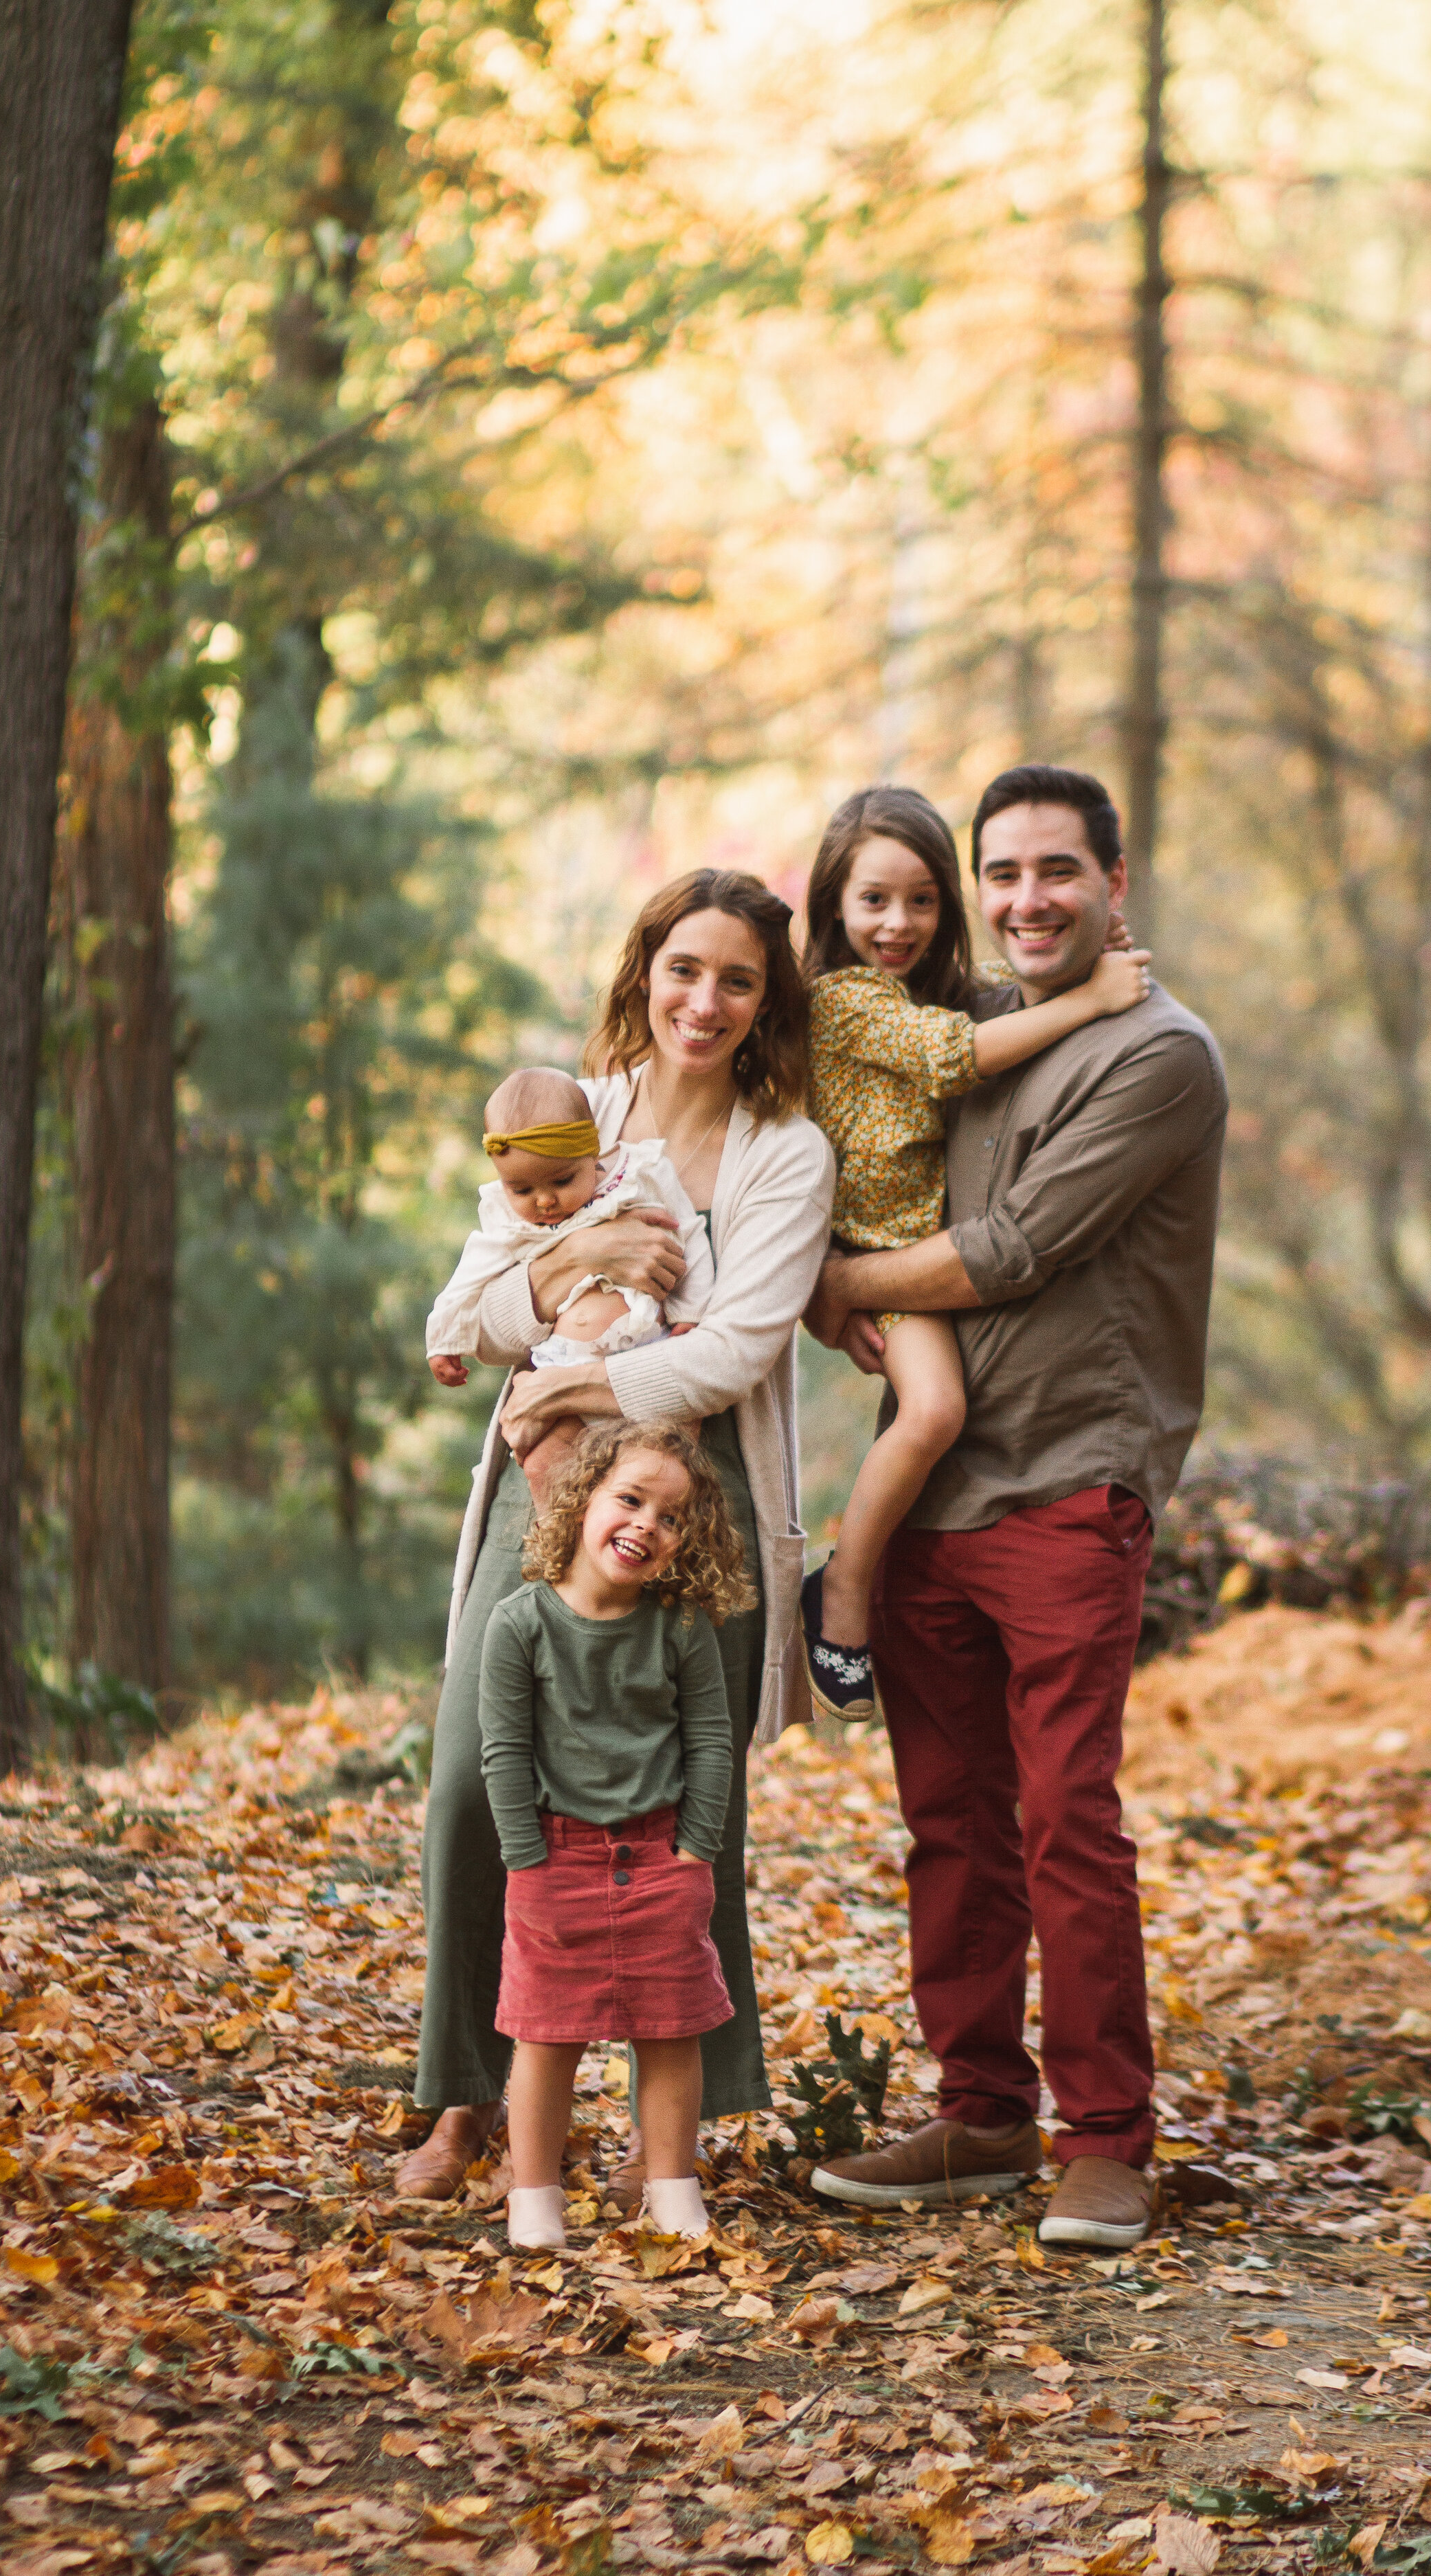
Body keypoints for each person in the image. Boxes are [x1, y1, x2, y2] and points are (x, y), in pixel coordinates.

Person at [804, 765, 1226, 2252]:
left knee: (1064, 1819)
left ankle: (1106, 2137)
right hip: (928, 1492)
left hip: (1064, 1480)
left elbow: (1013, 1247)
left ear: (1116, 878)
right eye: (1004, 873)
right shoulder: (964, 1022)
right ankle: (980, 2115)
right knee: (948, 1823)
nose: (1027, 898)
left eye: (1059, 869)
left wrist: (830, 1283)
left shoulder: (1158, 1055)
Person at [396, 869, 835, 2207]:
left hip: (692, 1502)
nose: (703, 1000)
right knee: (480, 1777)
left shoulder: (785, 1151)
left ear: (766, 1005)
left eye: (737, 980)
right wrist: (542, 1287)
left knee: (680, 1806)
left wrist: (584, 1380)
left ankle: (674, 2135)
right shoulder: (578, 1111)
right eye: (683, 968)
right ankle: (465, 2099)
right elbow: (467, 1314)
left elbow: (737, 1350)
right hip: (549, 1489)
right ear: (643, 969)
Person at [798, 784, 1152, 1717]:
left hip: (907, 1246)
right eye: (873, 899)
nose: (898, 921)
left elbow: (1001, 999)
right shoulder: (844, 1003)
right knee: (932, 1412)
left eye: (922, 900)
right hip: (888, 1247)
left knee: (931, 1414)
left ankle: (848, 1581)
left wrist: (1090, 954)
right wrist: (1092, 1000)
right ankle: (841, 1592)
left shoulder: (923, 994)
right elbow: (962, 1054)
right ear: (833, 901)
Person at [480, 1421, 756, 2249]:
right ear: (584, 1501)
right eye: (629, 1499)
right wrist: (527, 1860)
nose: (646, 1524)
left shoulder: (679, 1627)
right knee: (545, 2033)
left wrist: (697, 1851)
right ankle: (535, 2201)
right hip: (555, 1857)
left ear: (686, 1542)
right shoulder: (520, 1623)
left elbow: (711, 1741)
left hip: (662, 1855)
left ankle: (673, 2191)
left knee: (670, 2029)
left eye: (672, 1518)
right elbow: (503, 1752)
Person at [425, 1065, 713, 1502]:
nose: (544, 1201)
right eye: (521, 1189)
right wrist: (443, 1337)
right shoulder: (507, 1219)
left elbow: (687, 1234)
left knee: (667, 1466)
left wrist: (691, 1311)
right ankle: (560, 1555)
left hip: (652, 1358)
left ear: (592, 1152)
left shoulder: (638, 1177)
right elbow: (470, 1275)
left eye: (562, 1181)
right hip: (565, 1371)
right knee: (544, 1464)